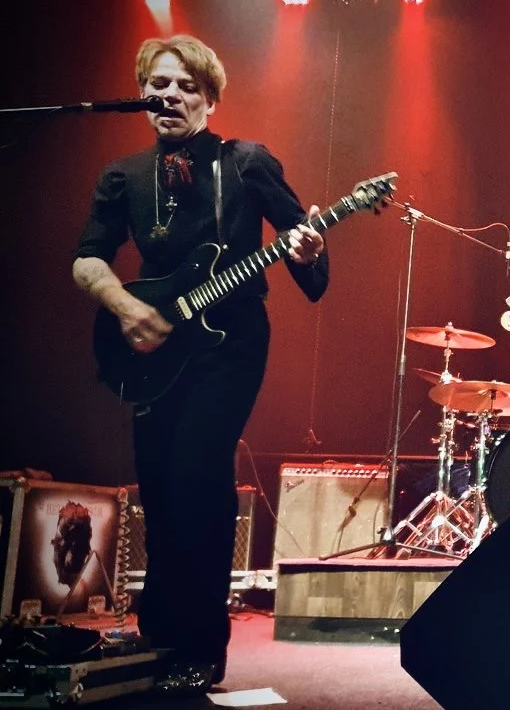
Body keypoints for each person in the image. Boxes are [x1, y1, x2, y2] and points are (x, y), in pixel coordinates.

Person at [71, 35, 328, 692]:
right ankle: (159, 634)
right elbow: (88, 257)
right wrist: (125, 307)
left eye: (187, 86)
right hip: (155, 344)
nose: (171, 95)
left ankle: (201, 647)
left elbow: (305, 248)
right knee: (158, 485)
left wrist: (306, 251)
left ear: (210, 99)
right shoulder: (123, 176)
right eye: (159, 84)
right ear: (142, 93)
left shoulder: (246, 162)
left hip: (229, 342)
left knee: (196, 476)